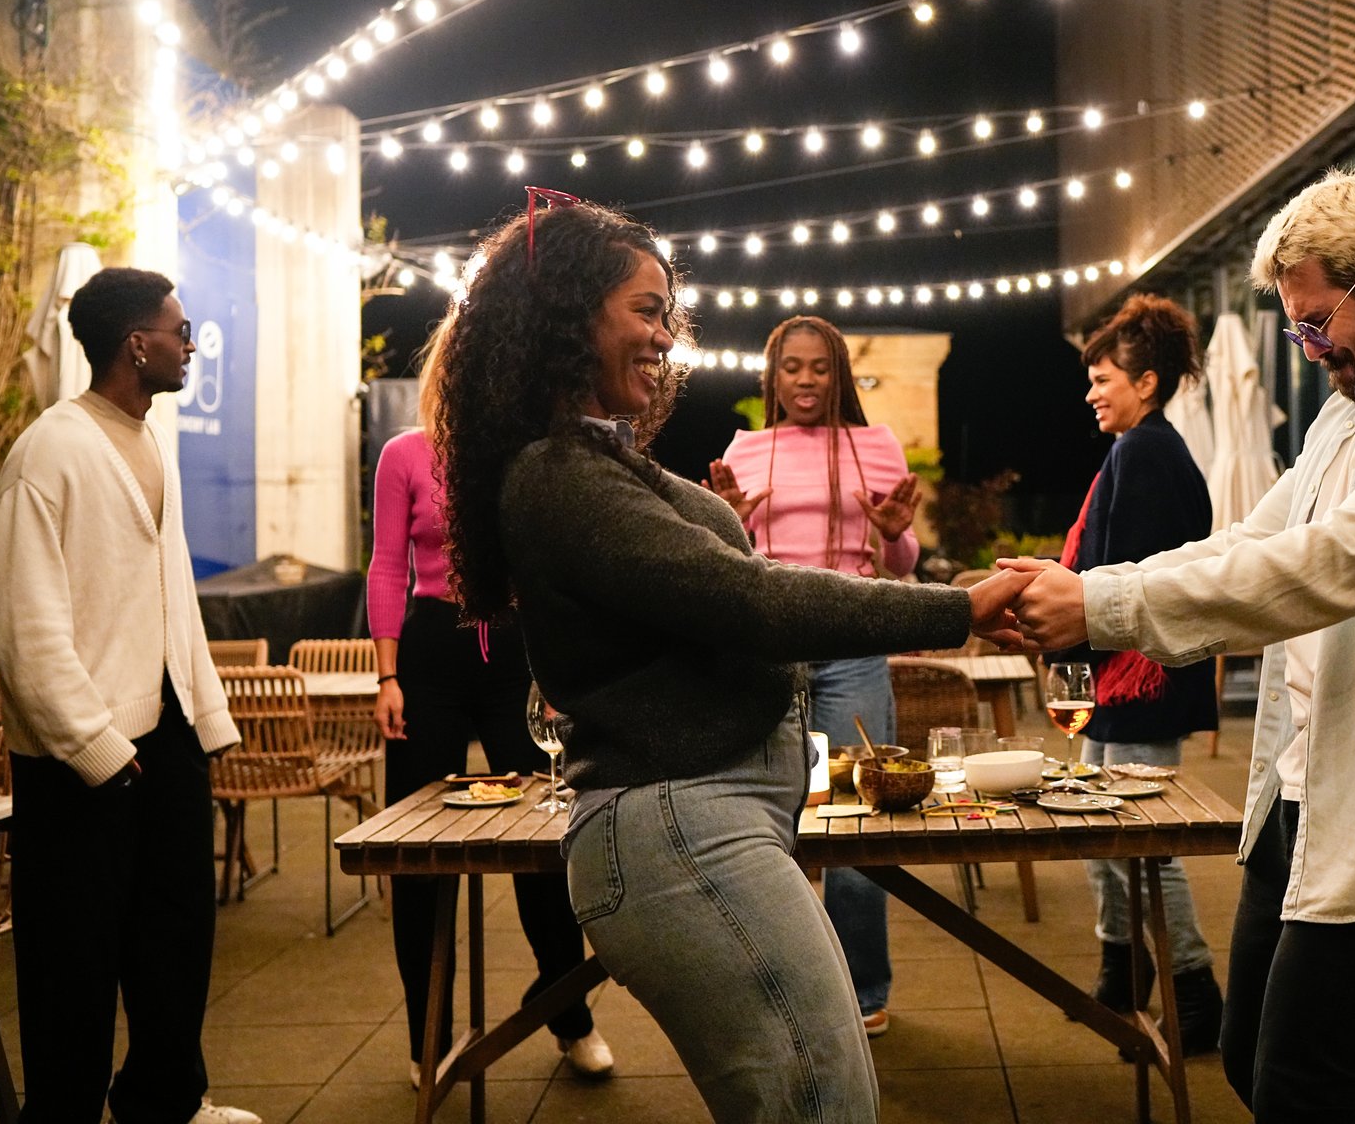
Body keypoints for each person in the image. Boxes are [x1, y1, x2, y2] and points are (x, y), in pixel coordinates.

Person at [431, 192, 1029, 1123]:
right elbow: (748, 598)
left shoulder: (600, 463)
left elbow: (733, 584)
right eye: (645, 310)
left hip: (709, 826)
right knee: (822, 1107)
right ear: (567, 314)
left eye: (668, 313)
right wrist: (959, 607)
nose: (666, 337)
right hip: (679, 832)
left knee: (824, 1101)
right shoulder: (558, 477)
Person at [1001, 170, 1355, 1123]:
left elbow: (1320, 567)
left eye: (1314, 324)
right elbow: (1252, 541)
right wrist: (1093, 587)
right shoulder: (1351, 410)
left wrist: (1101, 604)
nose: (1309, 350)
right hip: (1305, 786)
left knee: (1309, 1091)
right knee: (1254, 1062)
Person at [0, 268, 260, 1124]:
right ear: (134, 344)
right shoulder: (50, 452)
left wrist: (205, 721)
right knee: (73, 972)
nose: (190, 342)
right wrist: (101, 751)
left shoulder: (150, 443)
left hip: (168, 741)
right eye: (179, 330)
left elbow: (171, 595)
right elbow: (24, 633)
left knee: (176, 944)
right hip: (86, 764)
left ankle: (166, 1103)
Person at [368, 315, 612, 1087]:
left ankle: (567, 1016)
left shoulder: (521, 455)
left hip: (514, 653)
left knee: (548, 843)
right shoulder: (404, 454)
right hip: (431, 651)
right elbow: (384, 567)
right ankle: (426, 1037)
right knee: (417, 853)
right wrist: (386, 676)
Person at [706, 314, 921, 1039]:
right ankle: (782, 988)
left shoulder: (875, 446)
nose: (804, 380)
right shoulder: (746, 449)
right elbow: (730, 566)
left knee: (858, 817)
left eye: (819, 367)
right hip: (769, 649)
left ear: (839, 376)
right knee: (766, 823)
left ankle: (862, 991)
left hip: (853, 642)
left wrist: (894, 534)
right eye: (791, 368)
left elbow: (904, 564)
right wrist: (728, 525)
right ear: (772, 378)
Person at [1047, 292, 1223, 1051]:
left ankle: (1194, 991)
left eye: (1103, 379)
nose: (1090, 393)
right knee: (1103, 836)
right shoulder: (1141, 448)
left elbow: (1124, 578)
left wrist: (1064, 630)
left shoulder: (1146, 451)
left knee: (1145, 845)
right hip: (1125, 681)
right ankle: (1122, 971)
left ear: (1145, 383)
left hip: (1138, 680)